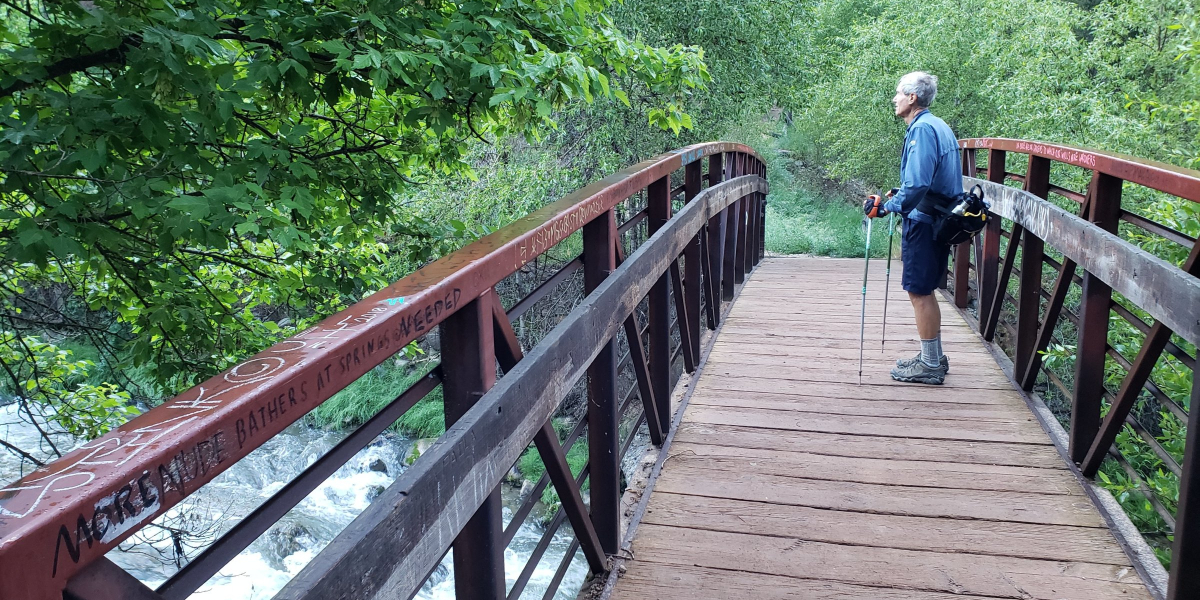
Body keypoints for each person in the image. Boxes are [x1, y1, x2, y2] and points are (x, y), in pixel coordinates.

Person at [862, 71, 962, 385]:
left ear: (912, 98)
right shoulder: (938, 125)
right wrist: (900, 193)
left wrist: (887, 206)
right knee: (924, 290)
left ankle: (930, 365)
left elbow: (919, 182)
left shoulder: (921, 130)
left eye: (898, 94)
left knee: (919, 291)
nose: (894, 99)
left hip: (925, 221)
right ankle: (932, 357)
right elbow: (925, 180)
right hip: (938, 219)